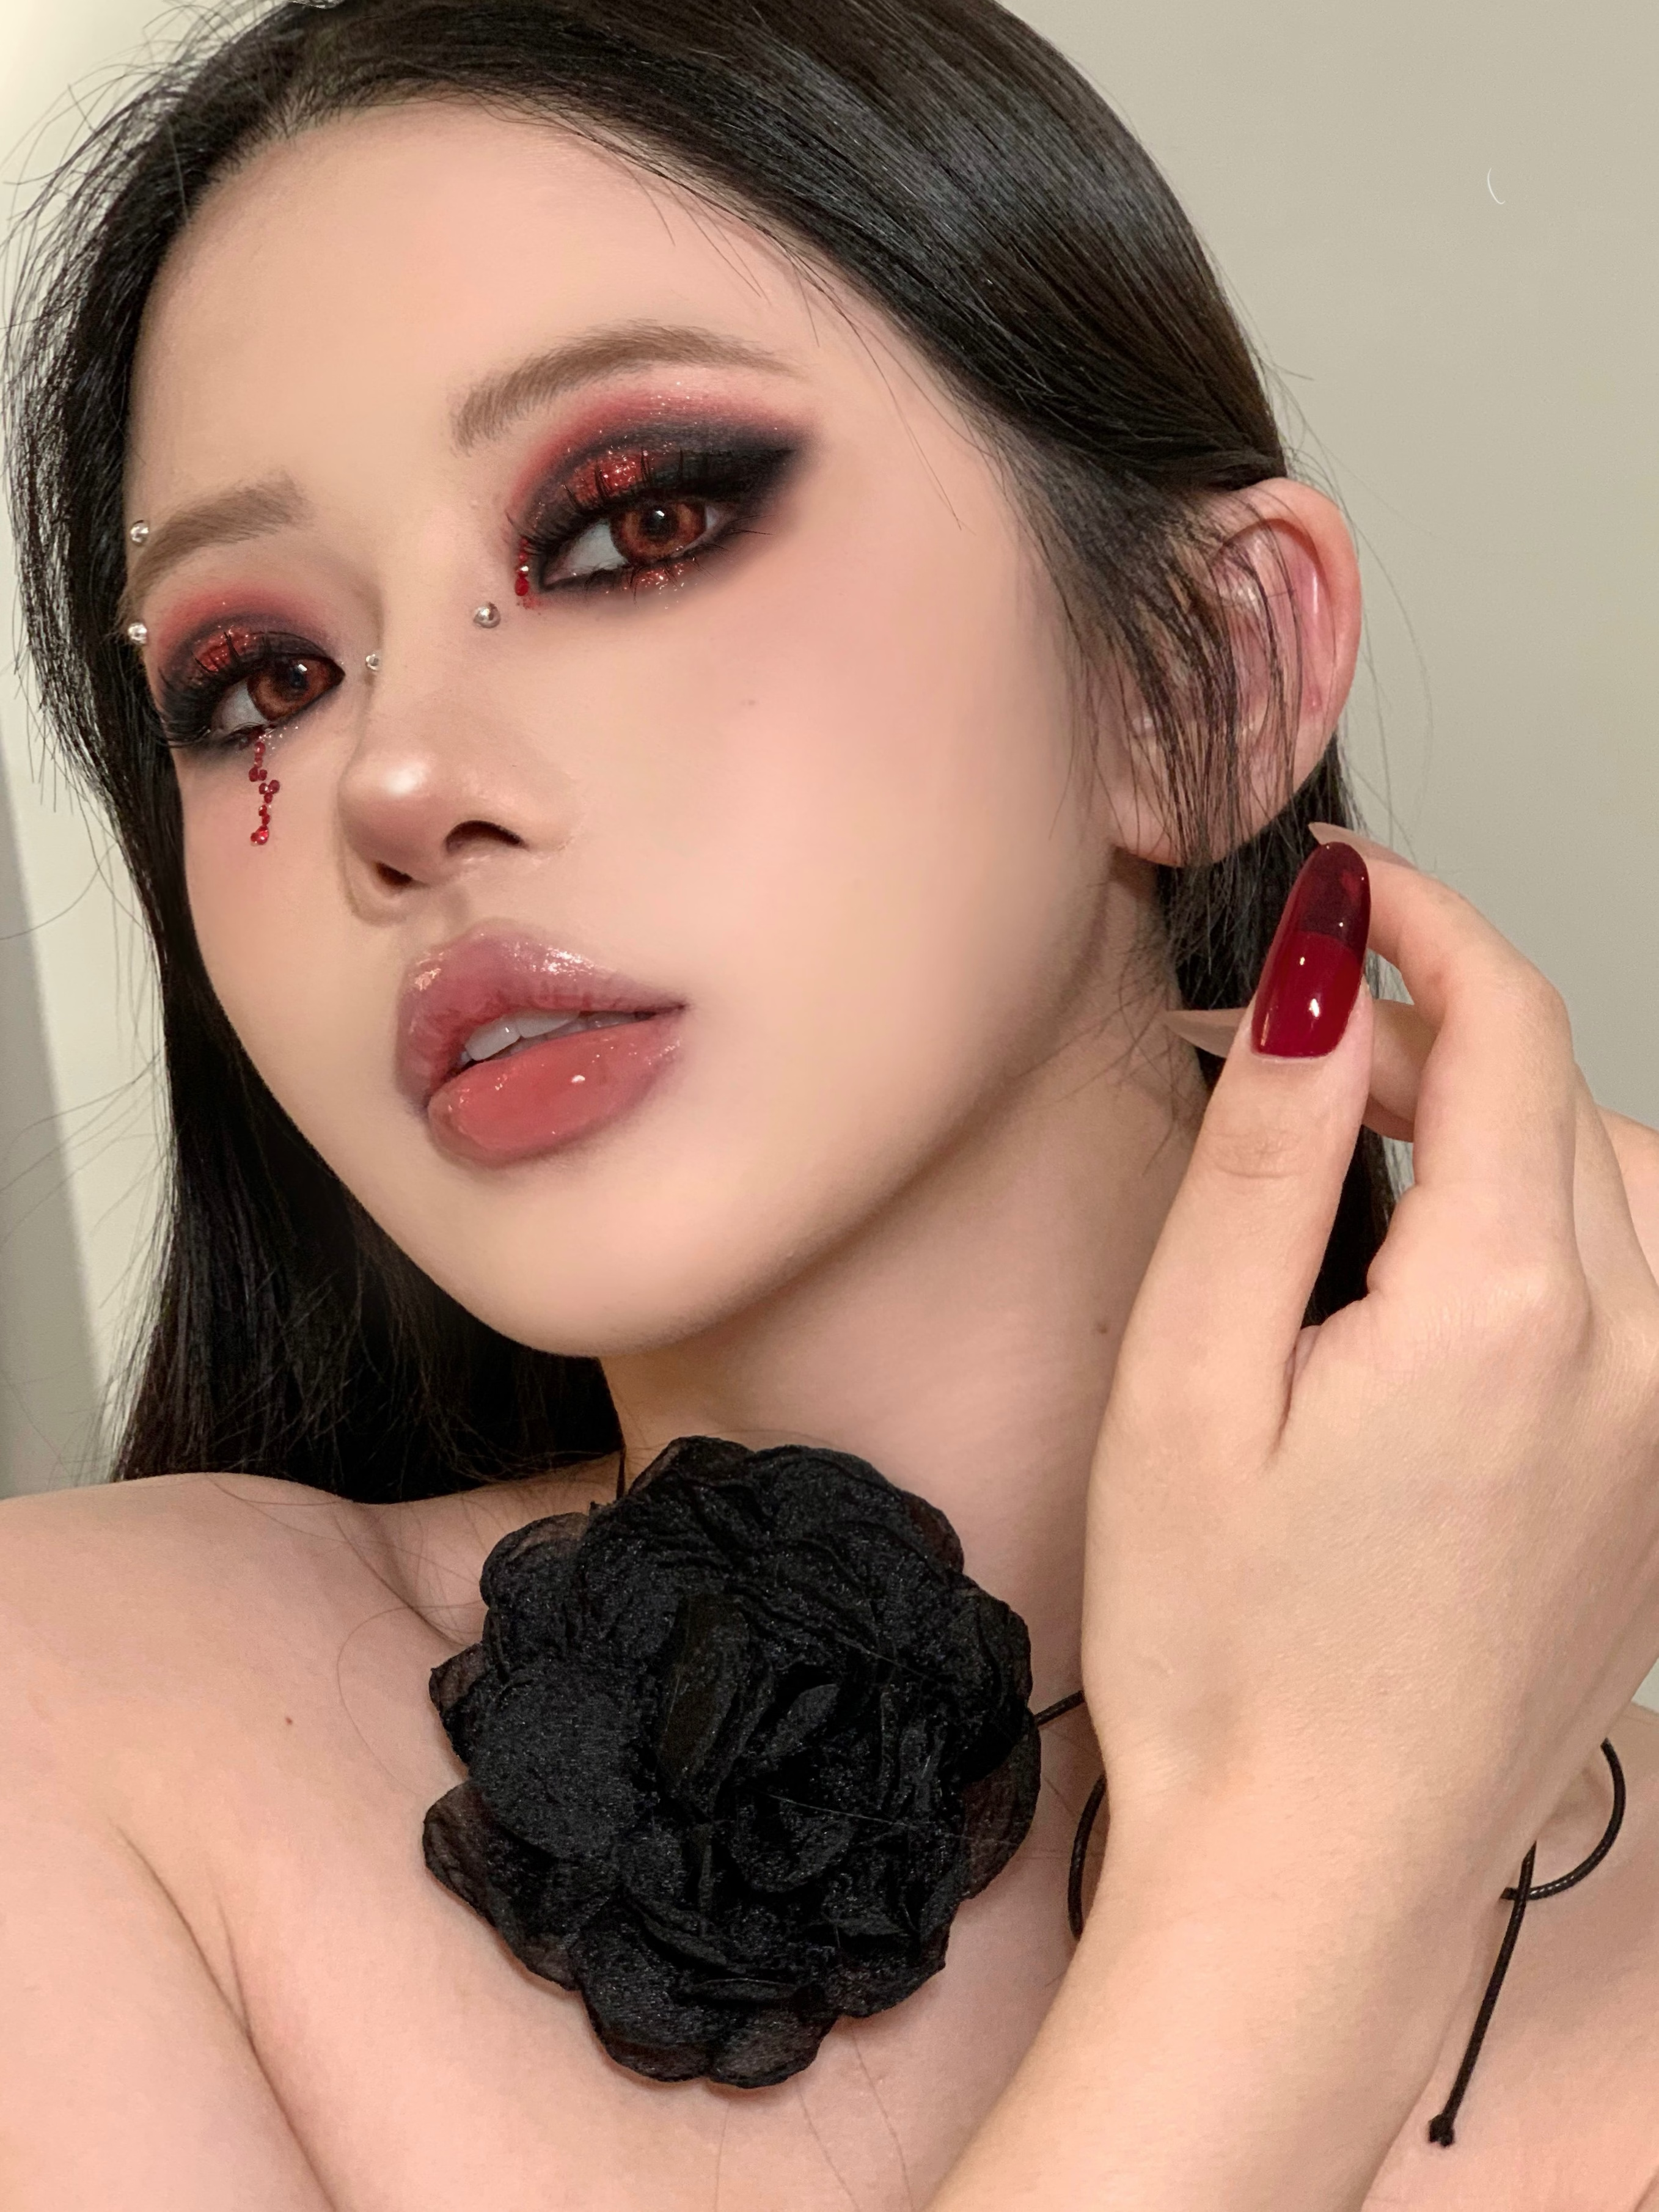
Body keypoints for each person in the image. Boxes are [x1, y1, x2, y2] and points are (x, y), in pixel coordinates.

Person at [4, 0, 1659, 2203]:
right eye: (261, 676)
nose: (392, 783)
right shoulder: (71, 1742)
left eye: (637, 521)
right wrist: (1318, 1868)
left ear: (1201, 673)